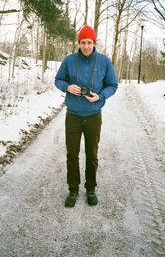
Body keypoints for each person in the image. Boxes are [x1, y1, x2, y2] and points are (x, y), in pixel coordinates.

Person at [55, 25, 118, 207]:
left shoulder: (104, 62)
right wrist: (67, 87)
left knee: (92, 154)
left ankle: (91, 189)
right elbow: (58, 80)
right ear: (79, 43)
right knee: (72, 154)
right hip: (73, 115)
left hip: (93, 116)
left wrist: (100, 96)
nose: (86, 46)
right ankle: (73, 190)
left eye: (89, 42)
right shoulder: (69, 60)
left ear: (94, 43)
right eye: (83, 42)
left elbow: (112, 85)